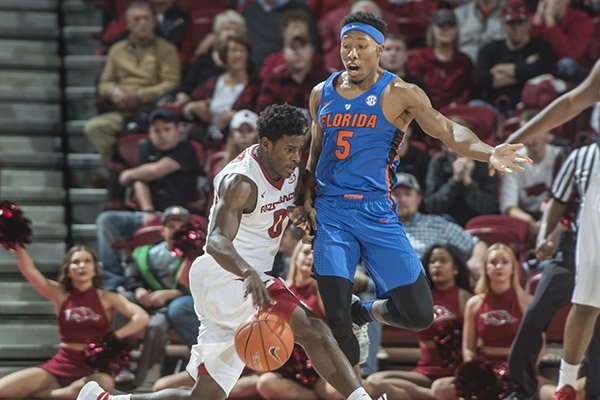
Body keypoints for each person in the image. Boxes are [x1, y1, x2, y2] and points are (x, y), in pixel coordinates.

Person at [77, 104, 377, 400]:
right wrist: (248, 273)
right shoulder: (241, 181)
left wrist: (301, 210)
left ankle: (104, 399)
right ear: (266, 143)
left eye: (300, 149)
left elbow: (287, 203)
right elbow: (216, 240)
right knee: (314, 331)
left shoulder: (290, 167)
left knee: (205, 397)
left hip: (240, 280)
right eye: (289, 149)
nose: (296, 157)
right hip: (227, 275)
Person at [301, 11, 531, 375]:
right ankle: (356, 393)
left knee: (419, 315)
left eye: (361, 47)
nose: (353, 55)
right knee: (337, 320)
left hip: (377, 212)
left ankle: (367, 310)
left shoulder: (400, 93)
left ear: (380, 50)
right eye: (347, 47)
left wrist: (489, 151)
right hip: (332, 214)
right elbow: (313, 153)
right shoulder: (321, 93)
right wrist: (304, 199)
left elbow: (448, 131)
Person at [505, 59, 600, 400]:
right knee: (588, 300)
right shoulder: (581, 157)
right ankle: (566, 385)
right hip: (582, 222)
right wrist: (517, 137)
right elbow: (572, 102)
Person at [0, 245, 149, 399]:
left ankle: (45, 395)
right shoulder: (61, 294)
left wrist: (114, 336)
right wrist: (18, 246)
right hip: (63, 361)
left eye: (87, 261)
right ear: (68, 269)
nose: (81, 265)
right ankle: (57, 394)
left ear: (95, 268)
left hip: (93, 367)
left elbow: (142, 316)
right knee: (3, 390)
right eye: (76, 262)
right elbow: (30, 271)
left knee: (104, 384)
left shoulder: (108, 298)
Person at [95, 108, 200, 291]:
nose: (162, 135)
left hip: (179, 216)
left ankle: (183, 286)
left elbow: (155, 171)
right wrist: (147, 211)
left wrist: (127, 173)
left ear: (177, 130)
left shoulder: (186, 149)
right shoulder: (146, 148)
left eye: (166, 129)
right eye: (156, 131)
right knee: (107, 220)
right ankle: (113, 280)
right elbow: (140, 180)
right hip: (150, 213)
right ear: (150, 133)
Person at [367, 244, 473, 399]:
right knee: (375, 380)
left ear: (455, 268)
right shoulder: (421, 298)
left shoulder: (465, 298)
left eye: (443, 261)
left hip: (454, 372)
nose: (437, 265)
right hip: (426, 373)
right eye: (432, 261)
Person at [430, 244, 533, 400]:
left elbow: (538, 346)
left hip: (517, 370)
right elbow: (468, 349)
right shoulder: (474, 303)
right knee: (440, 388)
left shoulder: (527, 302)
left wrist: (518, 371)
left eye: (504, 262)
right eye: (493, 262)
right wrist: (475, 374)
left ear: (513, 268)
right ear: (485, 268)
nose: (498, 266)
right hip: (486, 370)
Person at [85, 1, 181, 167]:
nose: (142, 23)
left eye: (146, 18)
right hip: (122, 111)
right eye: (137, 19)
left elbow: (172, 82)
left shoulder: (167, 49)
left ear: (154, 22)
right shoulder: (117, 50)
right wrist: (114, 91)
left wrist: (140, 95)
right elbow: (104, 83)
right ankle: (117, 169)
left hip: (152, 111)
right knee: (94, 127)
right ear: (128, 23)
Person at [118, 206, 199, 388]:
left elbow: (204, 287)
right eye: (171, 226)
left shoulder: (195, 254)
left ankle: (140, 377)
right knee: (121, 297)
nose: (176, 231)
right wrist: (139, 289)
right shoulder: (146, 252)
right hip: (147, 302)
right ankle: (118, 361)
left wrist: (171, 294)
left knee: (156, 326)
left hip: (176, 305)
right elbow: (130, 277)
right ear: (162, 229)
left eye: (181, 227)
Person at [393, 172, 488, 283]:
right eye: (396, 194)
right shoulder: (376, 229)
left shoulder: (437, 224)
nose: (402, 199)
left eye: (408, 194)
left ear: (418, 198)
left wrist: (475, 260)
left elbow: (477, 244)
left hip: (431, 289)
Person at [473, 0, 553, 112]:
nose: (516, 27)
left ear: (529, 22)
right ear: (502, 25)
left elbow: (545, 72)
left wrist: (503, 68)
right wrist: (525, 69)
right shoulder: (490, 49)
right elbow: (480, 78)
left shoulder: (541, 47)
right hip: (492, 106)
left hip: (527, 106)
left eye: (520, 22)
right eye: (511, 22)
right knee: (475, 105)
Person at [499, 109, 564, 239]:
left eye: (536, 132)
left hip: (555, 214)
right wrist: (530, 221)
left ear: (548, 132)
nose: (532, 139)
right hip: (526, 217)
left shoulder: (560, 156)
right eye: (527, 133)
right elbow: (508, 207)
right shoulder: (513, 161)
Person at [406, 9, 473, 109]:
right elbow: (413, 87)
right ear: (432, 30)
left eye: (450, 26)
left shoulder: (464, 60)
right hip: (423, 109)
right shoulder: (419, 58)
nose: (446, 30)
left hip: (455, 110)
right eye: (441, 26)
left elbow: (468, 91)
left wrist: (457, 104)